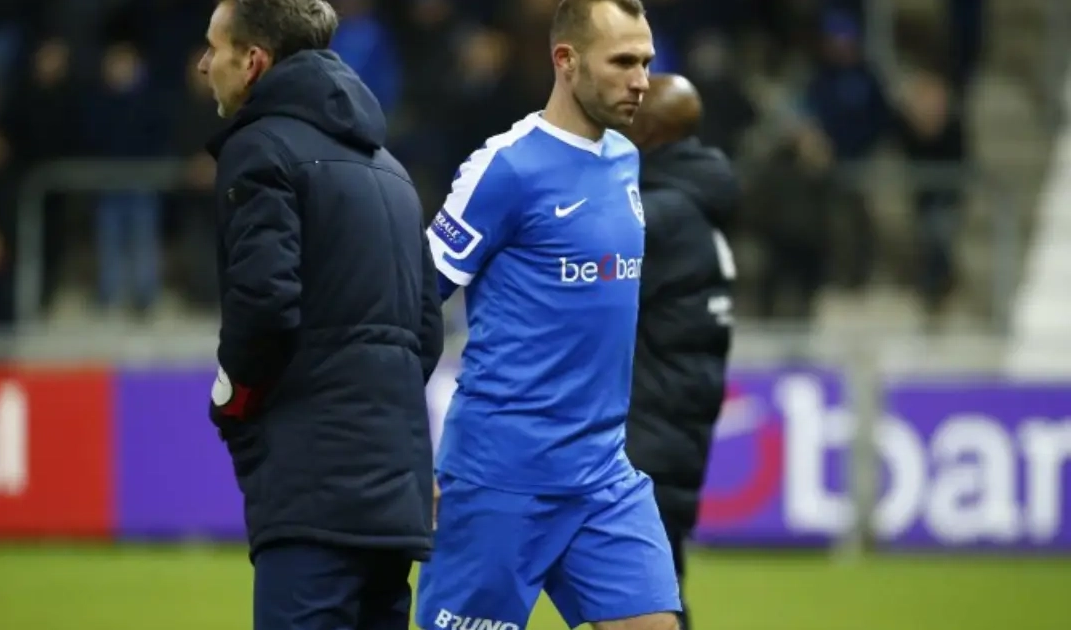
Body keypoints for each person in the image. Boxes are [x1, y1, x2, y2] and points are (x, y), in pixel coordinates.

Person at [417, 2, 682, 629]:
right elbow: (406, 308)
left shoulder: (625, 159)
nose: (642, 81)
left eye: (646, 62)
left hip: (603, 474)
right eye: (623, 62)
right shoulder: (504, 168)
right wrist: (404, 449)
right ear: (566, 60)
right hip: (499, 477)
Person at [197, 1, 445, 629]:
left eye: (215, 48)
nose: (203, 65)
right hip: (394, 496)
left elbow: (264, 307)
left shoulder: (258, 148)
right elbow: (425, 331)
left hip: (311, 490)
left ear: (253, 62)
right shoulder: (391, 169)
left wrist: (233, 405)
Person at [621, 74, 740, 630]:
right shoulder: (695, 206)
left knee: (647, 605)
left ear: (646, 131)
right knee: (651, 597)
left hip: (641, 443)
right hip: (671, 438)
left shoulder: (658, 217)